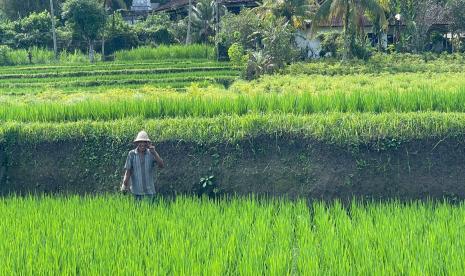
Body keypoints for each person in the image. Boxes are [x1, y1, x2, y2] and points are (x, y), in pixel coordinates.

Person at [121, 130, 164, 202]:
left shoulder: (151, 153)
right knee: (138, 213)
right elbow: (128, 171)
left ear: (147, 143)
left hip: (150, 192)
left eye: (144, 142)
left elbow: (161, 165)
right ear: (137, 143)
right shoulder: (132, 154)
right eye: (140, 142)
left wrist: (154, 153)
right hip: (136, 192)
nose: (142, 144)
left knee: (150, 212)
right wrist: (124, 185)